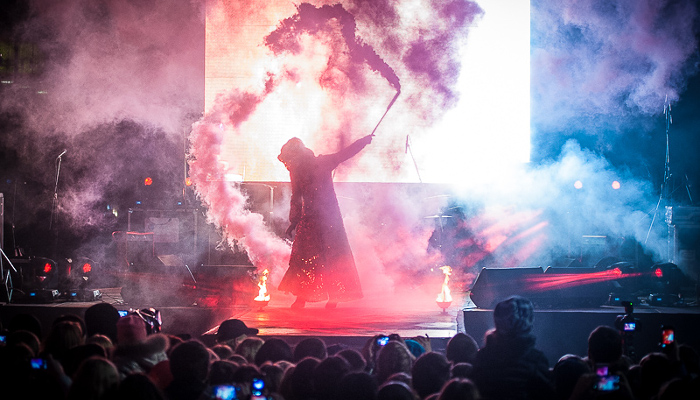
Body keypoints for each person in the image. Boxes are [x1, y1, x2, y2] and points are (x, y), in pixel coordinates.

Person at [277, 134, 373, 308]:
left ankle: (325, 297)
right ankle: (303, 297)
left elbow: (345, 153)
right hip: (314, 218)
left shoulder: (319, 163)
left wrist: (362, 142)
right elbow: (296, 196)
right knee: (308, 257)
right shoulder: (300, 169)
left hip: (326, 217)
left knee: (327, 256)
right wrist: (294, 220)